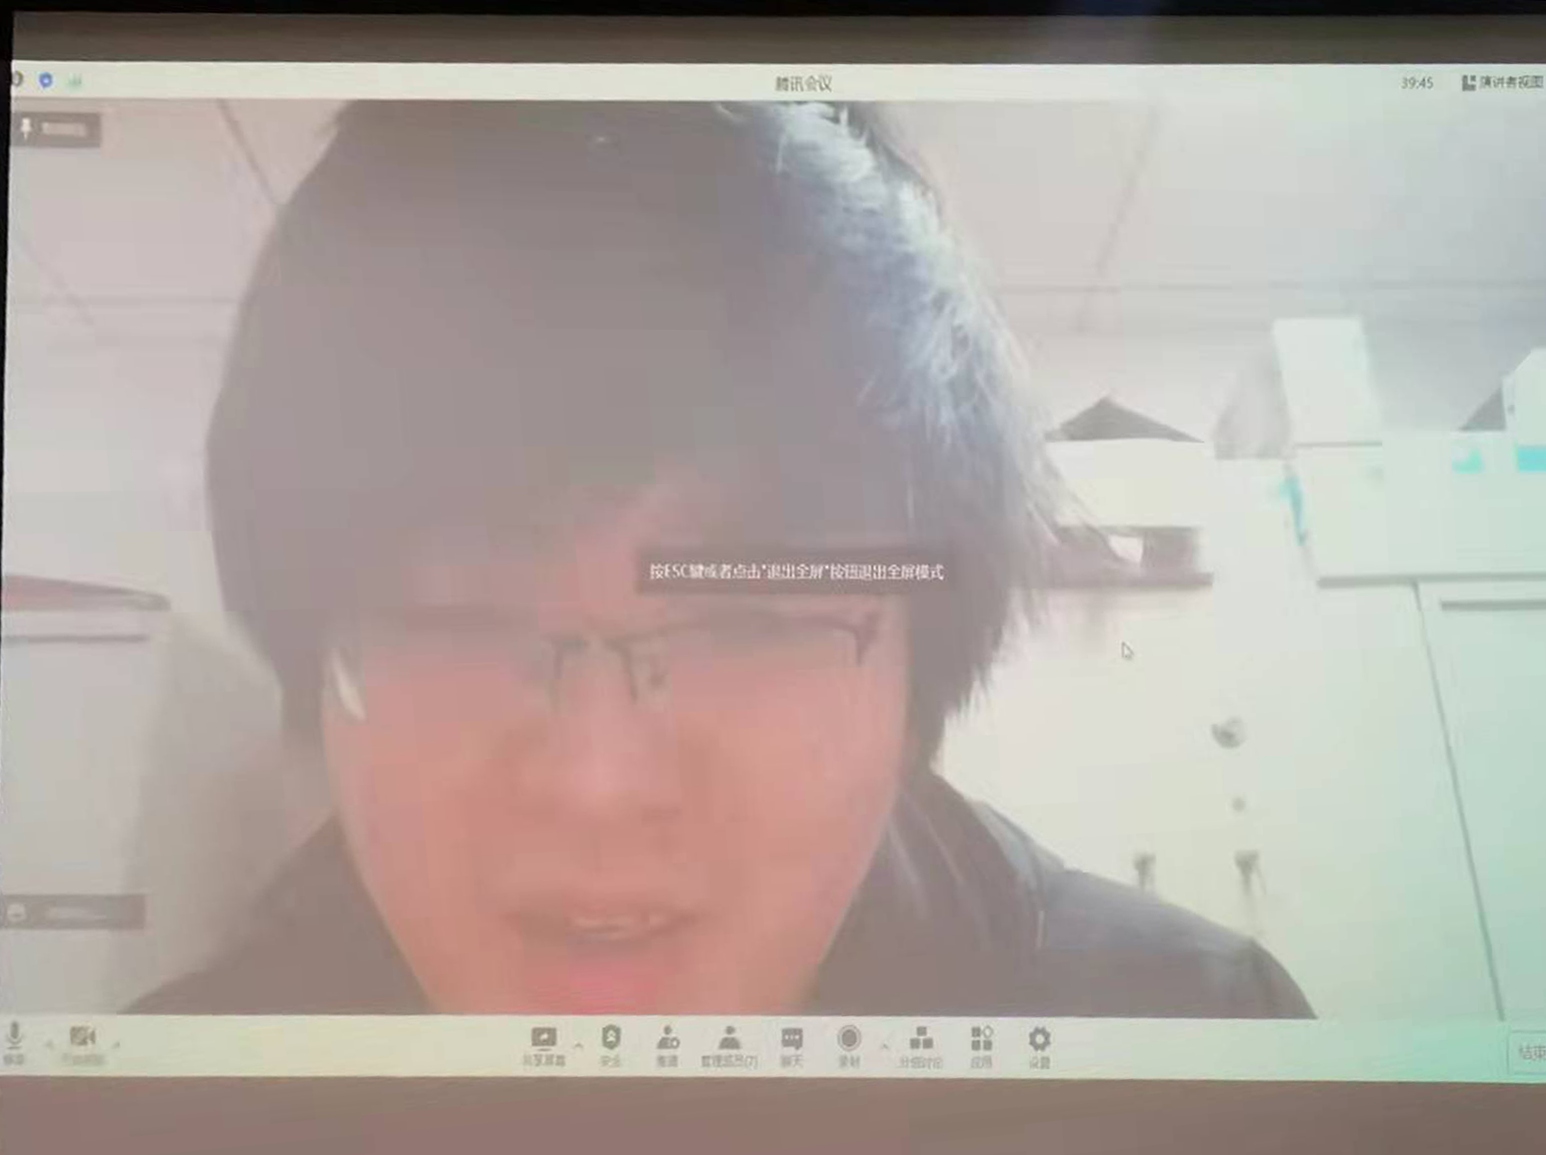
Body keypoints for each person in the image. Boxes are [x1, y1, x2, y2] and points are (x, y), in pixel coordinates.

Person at [131, 101, 1310, 1018]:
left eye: (747, 623)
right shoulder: (156, 1124)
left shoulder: (1193, 1046)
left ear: (916, 678)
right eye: (455, 624)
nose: (596, 783)